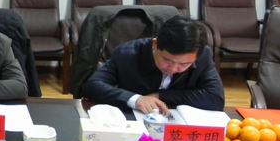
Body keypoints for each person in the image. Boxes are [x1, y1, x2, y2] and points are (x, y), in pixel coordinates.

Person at [81, 16, 224, 114]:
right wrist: (136, 99)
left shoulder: (202, 56)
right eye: (168, 60)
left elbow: (215, 98)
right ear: (155, 44)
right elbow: (92, 86)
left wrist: (161, 96)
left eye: (185, 64)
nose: (174, 69)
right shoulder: (127, 53)